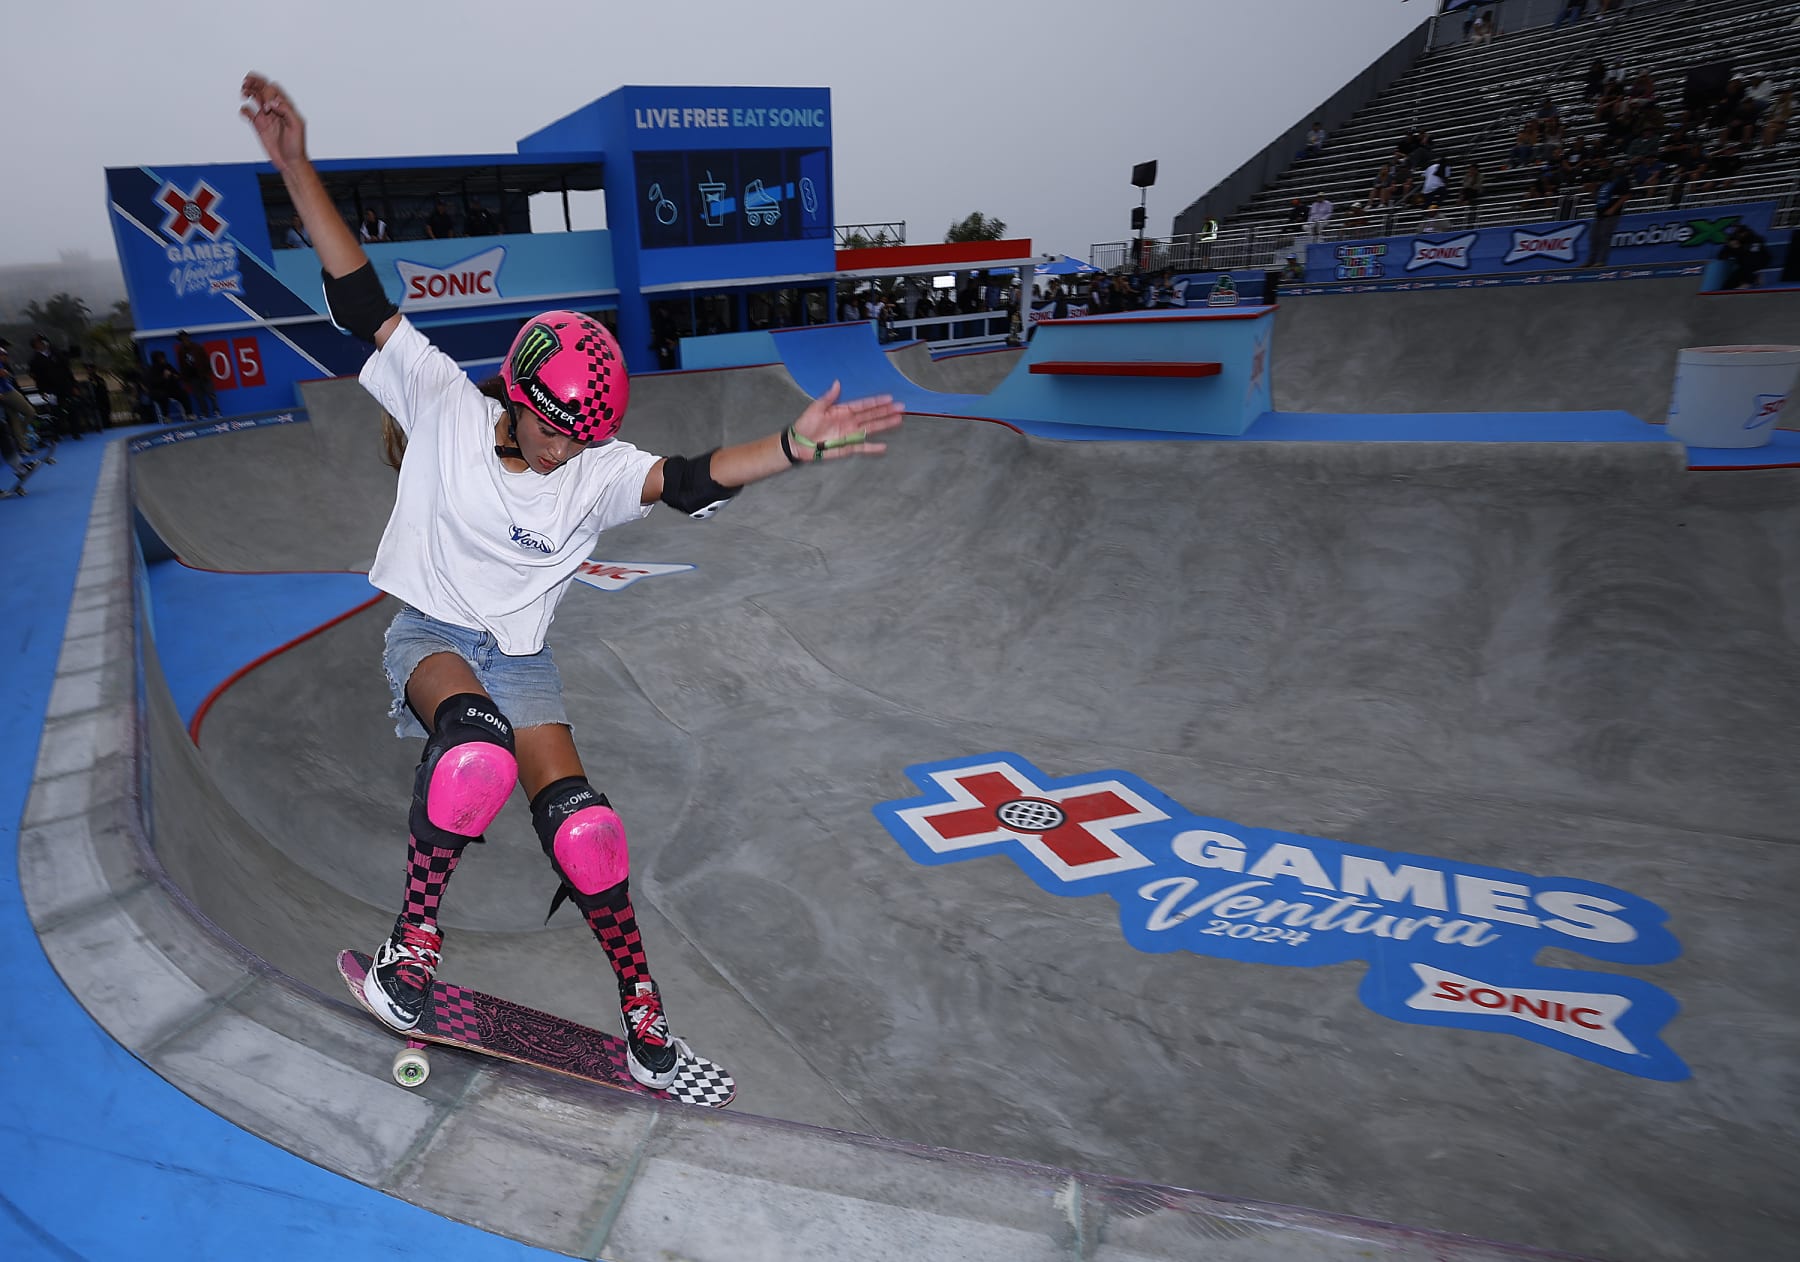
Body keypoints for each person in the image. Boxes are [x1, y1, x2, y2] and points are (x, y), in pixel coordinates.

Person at [240, 72, 903, 1086]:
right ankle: (412, 951)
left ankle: (644, 1021)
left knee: (587, 829)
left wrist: (790, 448)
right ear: (514, 396)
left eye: (582, 438)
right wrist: (293, 165)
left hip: (523, 661)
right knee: (475, 756)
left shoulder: (592, 467)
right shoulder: (446, 406)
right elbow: (360, 296)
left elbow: (683, 480)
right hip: (431, 640)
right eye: (553, 429)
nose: (563, 453)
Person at [1586, 163, 1632, 267]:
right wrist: (1592, 189)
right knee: (1593, 237)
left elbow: (1627, 195)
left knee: (1604, 236)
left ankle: (1601, 261)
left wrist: (1613, 208)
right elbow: (1597, 198)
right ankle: (1591, 261)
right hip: (1599, 214)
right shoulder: (1604, 183)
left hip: (1612, 214)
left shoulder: (1622, 180)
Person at [175, 331, 220, 419]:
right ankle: (204, 413)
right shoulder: (181, 351)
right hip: (193, 377)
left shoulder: (197, 347)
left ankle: (216, 411)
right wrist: (184, 378)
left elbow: (206, 360)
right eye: (182, 340)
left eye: (185, 338)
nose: (184, 341)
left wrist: (208, 373)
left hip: (203, 375)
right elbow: (182, 365)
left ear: (188, 338)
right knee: (199, 396)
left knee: (211, 394)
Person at [1717, 225, 1771, 290]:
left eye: (1740, 234)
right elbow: (1722, 255)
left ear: (1745, 233)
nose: (1738, 236)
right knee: (1727, 286)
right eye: (1736, 234)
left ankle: (1750, 280)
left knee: (1748, 262)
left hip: (1759, 261)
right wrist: (1730, 246)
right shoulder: (1734, 239)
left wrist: (1738, 247)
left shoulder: (1755, 239)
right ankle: (1749, 279)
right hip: (1743, 266)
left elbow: (1752, 255)